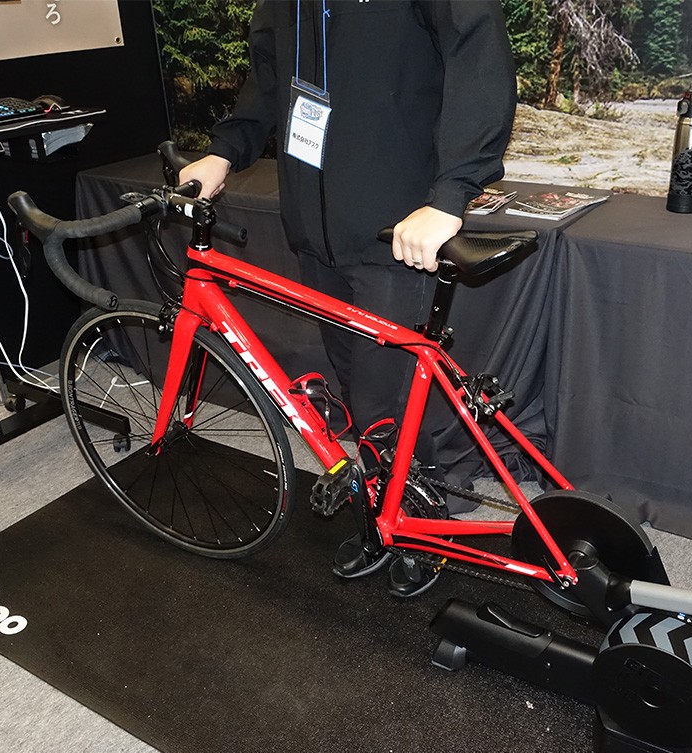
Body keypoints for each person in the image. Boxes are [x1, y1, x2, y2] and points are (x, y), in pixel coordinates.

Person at [181, 0, 517, 597]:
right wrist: (225, 150)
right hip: (316, 229)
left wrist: (452, 194)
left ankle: (419, 526)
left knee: (387, 392)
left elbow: (478, 51)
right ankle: (394, 506)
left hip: (398, 227)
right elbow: (269, 71)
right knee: (358, 381)